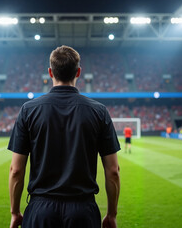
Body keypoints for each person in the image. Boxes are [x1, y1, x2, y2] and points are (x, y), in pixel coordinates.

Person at [8, 45, 120, 228]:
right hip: (83, 210)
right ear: (78, 72)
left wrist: (15, 212)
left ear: (50, 72)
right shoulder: (99, 111)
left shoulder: (28, 110)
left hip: (40, 209)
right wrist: (112, 214)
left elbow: (16, 170)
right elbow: (113, 171)